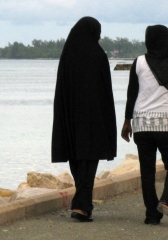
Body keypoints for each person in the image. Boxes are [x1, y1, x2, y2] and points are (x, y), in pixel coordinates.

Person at [121, 24, 168, 225]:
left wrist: (126, 121)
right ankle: (167, 201)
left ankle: (151, 215)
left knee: (147, 171)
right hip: (166, 124)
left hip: (142, 124)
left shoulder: (138, 63)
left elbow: (131, 94)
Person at [51, 17, 117, 222]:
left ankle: (83, 205)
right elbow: (106, 91)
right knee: (89, 161)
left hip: (70, 118)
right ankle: (81, 206)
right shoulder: (98, 55)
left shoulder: (68, 55)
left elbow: (61, 90)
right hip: (94, 118)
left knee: (77, 159)